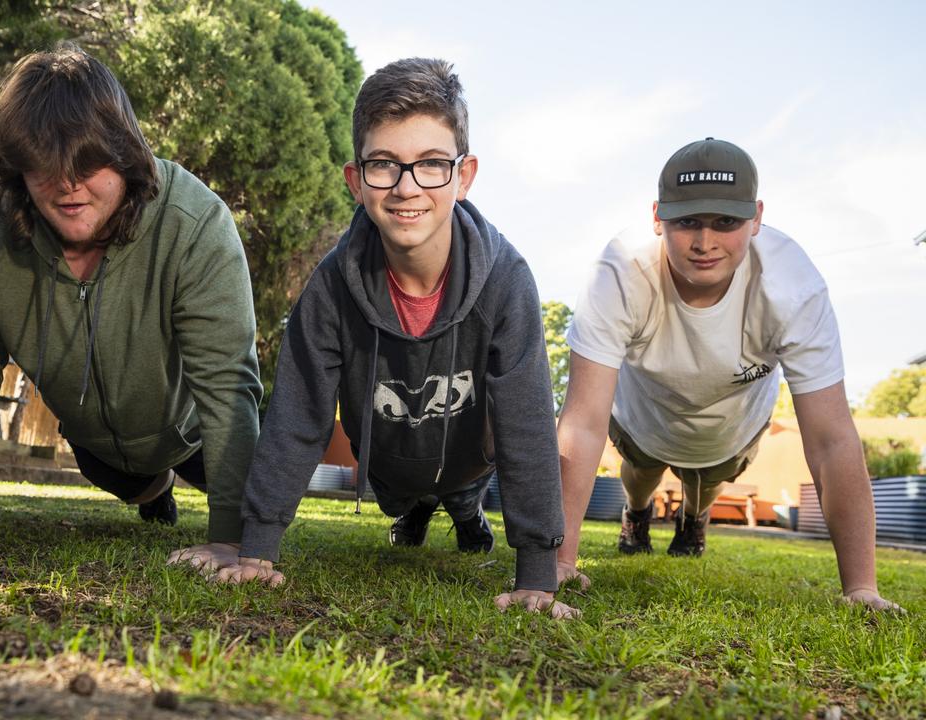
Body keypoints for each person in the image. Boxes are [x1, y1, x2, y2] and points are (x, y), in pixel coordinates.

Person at [0, 46, 261, 570]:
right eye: (46, 166)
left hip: (191, 430)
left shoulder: (195, 224)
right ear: (18, 170)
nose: (69, 185)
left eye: (88, 162)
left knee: (249, 481)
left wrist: (230, 540)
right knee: (128, 483)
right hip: (98, 447)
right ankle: (155, 491)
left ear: (124, 151)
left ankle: (184, 478)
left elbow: (226, 385)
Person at [214, 58, 576, 619]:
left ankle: (464, 512)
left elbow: (527, 425)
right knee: (404, 501)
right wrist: (257, 549)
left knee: (458, 496)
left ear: (465, 175)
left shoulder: (506, 279)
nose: (407, 188)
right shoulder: (331, 287)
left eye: (432, 164)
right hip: (387, 457)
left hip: (465, 458)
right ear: (356, 180)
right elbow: (297, 416)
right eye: (384, 164)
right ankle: (417, 510)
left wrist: (536, 572)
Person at [554, 137, 902, 612]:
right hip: (642, 418)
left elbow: (831, 439)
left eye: (726, 222)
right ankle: (636, 514)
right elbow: (582, 422)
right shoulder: (618, 273)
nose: (705, 242)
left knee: (706, 482)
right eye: (687, 222)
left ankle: (694, 522)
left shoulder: (793, 287)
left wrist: (861, 587)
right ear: (657, 217)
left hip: (731, 428)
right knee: (640, 475)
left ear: (757, 217)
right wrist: (557, 561)